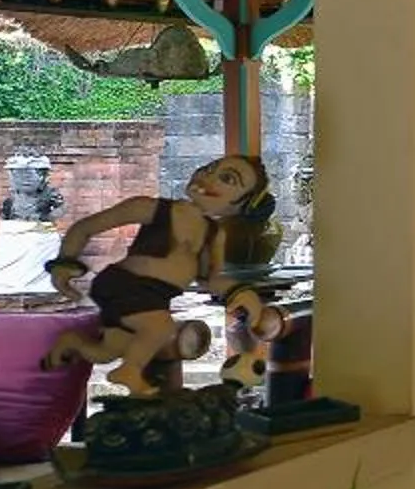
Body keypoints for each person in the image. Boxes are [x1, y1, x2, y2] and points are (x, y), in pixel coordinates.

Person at [45, 153, 276, 398]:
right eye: (209, 168)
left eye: (227, 179)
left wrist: (240, 292)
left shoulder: (213, 233)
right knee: (161, 327)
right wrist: (64, 263)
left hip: (156, 298)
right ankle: (130, 372)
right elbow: (86, 227)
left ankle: (72, 343)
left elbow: (209, 278)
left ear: (240, 204)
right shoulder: (153, 209)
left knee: (109, 351)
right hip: (125, 284)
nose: (210, 177)